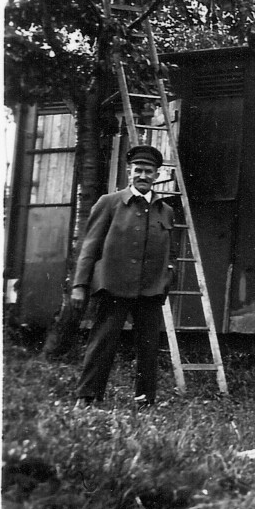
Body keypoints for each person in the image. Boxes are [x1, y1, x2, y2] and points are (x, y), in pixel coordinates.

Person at [72, 144, 174, 407]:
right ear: (129, 172)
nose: (143, 175)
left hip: (150, 290)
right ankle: (87, 397)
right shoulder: (109, 203)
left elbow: (169, 253)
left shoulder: (165, 210)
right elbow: (90, 246)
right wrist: (80, 284)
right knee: (103, 341)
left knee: (149, 347)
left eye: (148, 171)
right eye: (138, 170)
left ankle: (145, 399)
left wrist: (165, 282)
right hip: (114, 286)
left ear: (157, 175)